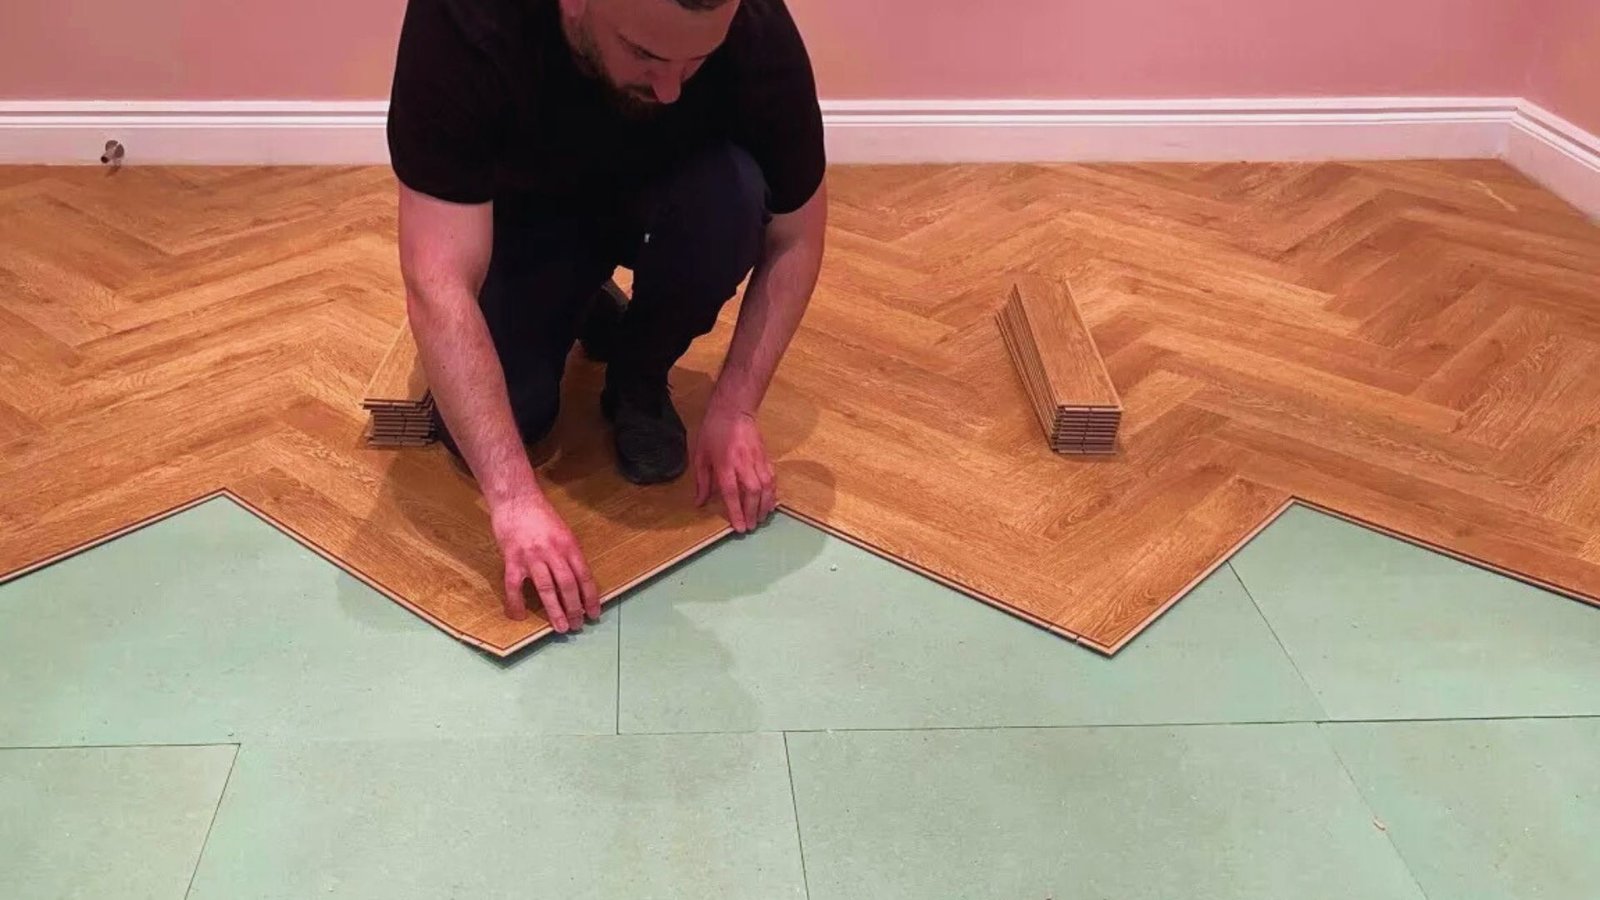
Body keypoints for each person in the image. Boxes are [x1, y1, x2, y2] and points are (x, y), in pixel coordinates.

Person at [385, 0, 828, 635]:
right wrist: (512, 501)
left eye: (697, 61)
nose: (672, 88)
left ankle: (638, 377)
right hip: (526, 213)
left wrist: (735, 408)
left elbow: (798, 238)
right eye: (646, 54)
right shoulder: (466, 19)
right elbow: (436, 278)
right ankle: (577, 294)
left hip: (670, 198)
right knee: (502, 421)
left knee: (730, 198)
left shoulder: (756, 29)